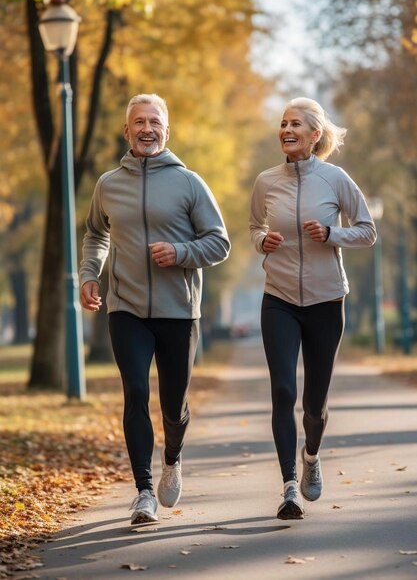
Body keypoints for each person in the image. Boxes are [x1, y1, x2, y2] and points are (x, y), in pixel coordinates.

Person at [80, 93, 230, 525]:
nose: (147, 129)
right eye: (139, 122)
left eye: (155, 122)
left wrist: (181, 252)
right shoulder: (109, 183)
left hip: (179, 309)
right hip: (125, 306)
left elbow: (220, 242)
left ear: (167, 130)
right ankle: (144, 491)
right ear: (127, 131)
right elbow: (95, 234)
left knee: (173, 404)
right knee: (135, 393)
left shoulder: (189, 183)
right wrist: (91, 274)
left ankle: (173, 457)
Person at [249, 97, 376, 521]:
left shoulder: (336, 179)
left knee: (314, 403)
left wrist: (331, 234)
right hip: (279, 298)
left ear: (315, 135)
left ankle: (312, 454)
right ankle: (288, 487)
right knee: (283, 391)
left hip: (326, 301)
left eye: (296, 124)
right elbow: (254, 226)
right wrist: (261, 241)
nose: (286, 130)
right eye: (283, 123)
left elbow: (367, 231)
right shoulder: (266, 181)